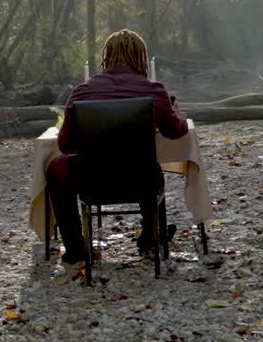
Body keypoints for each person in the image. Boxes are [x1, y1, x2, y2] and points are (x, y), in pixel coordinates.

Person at [46, 29, 188, 264]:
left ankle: (75, 247)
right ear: (141, 58)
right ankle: (151, 236)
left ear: (107, 56)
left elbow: (64, 144)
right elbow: (174, 132)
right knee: (151, 167)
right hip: (141, 178)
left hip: (90, 178)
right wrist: (178, 114)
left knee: (56, 169)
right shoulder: (155, 91)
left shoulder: (82, 92)